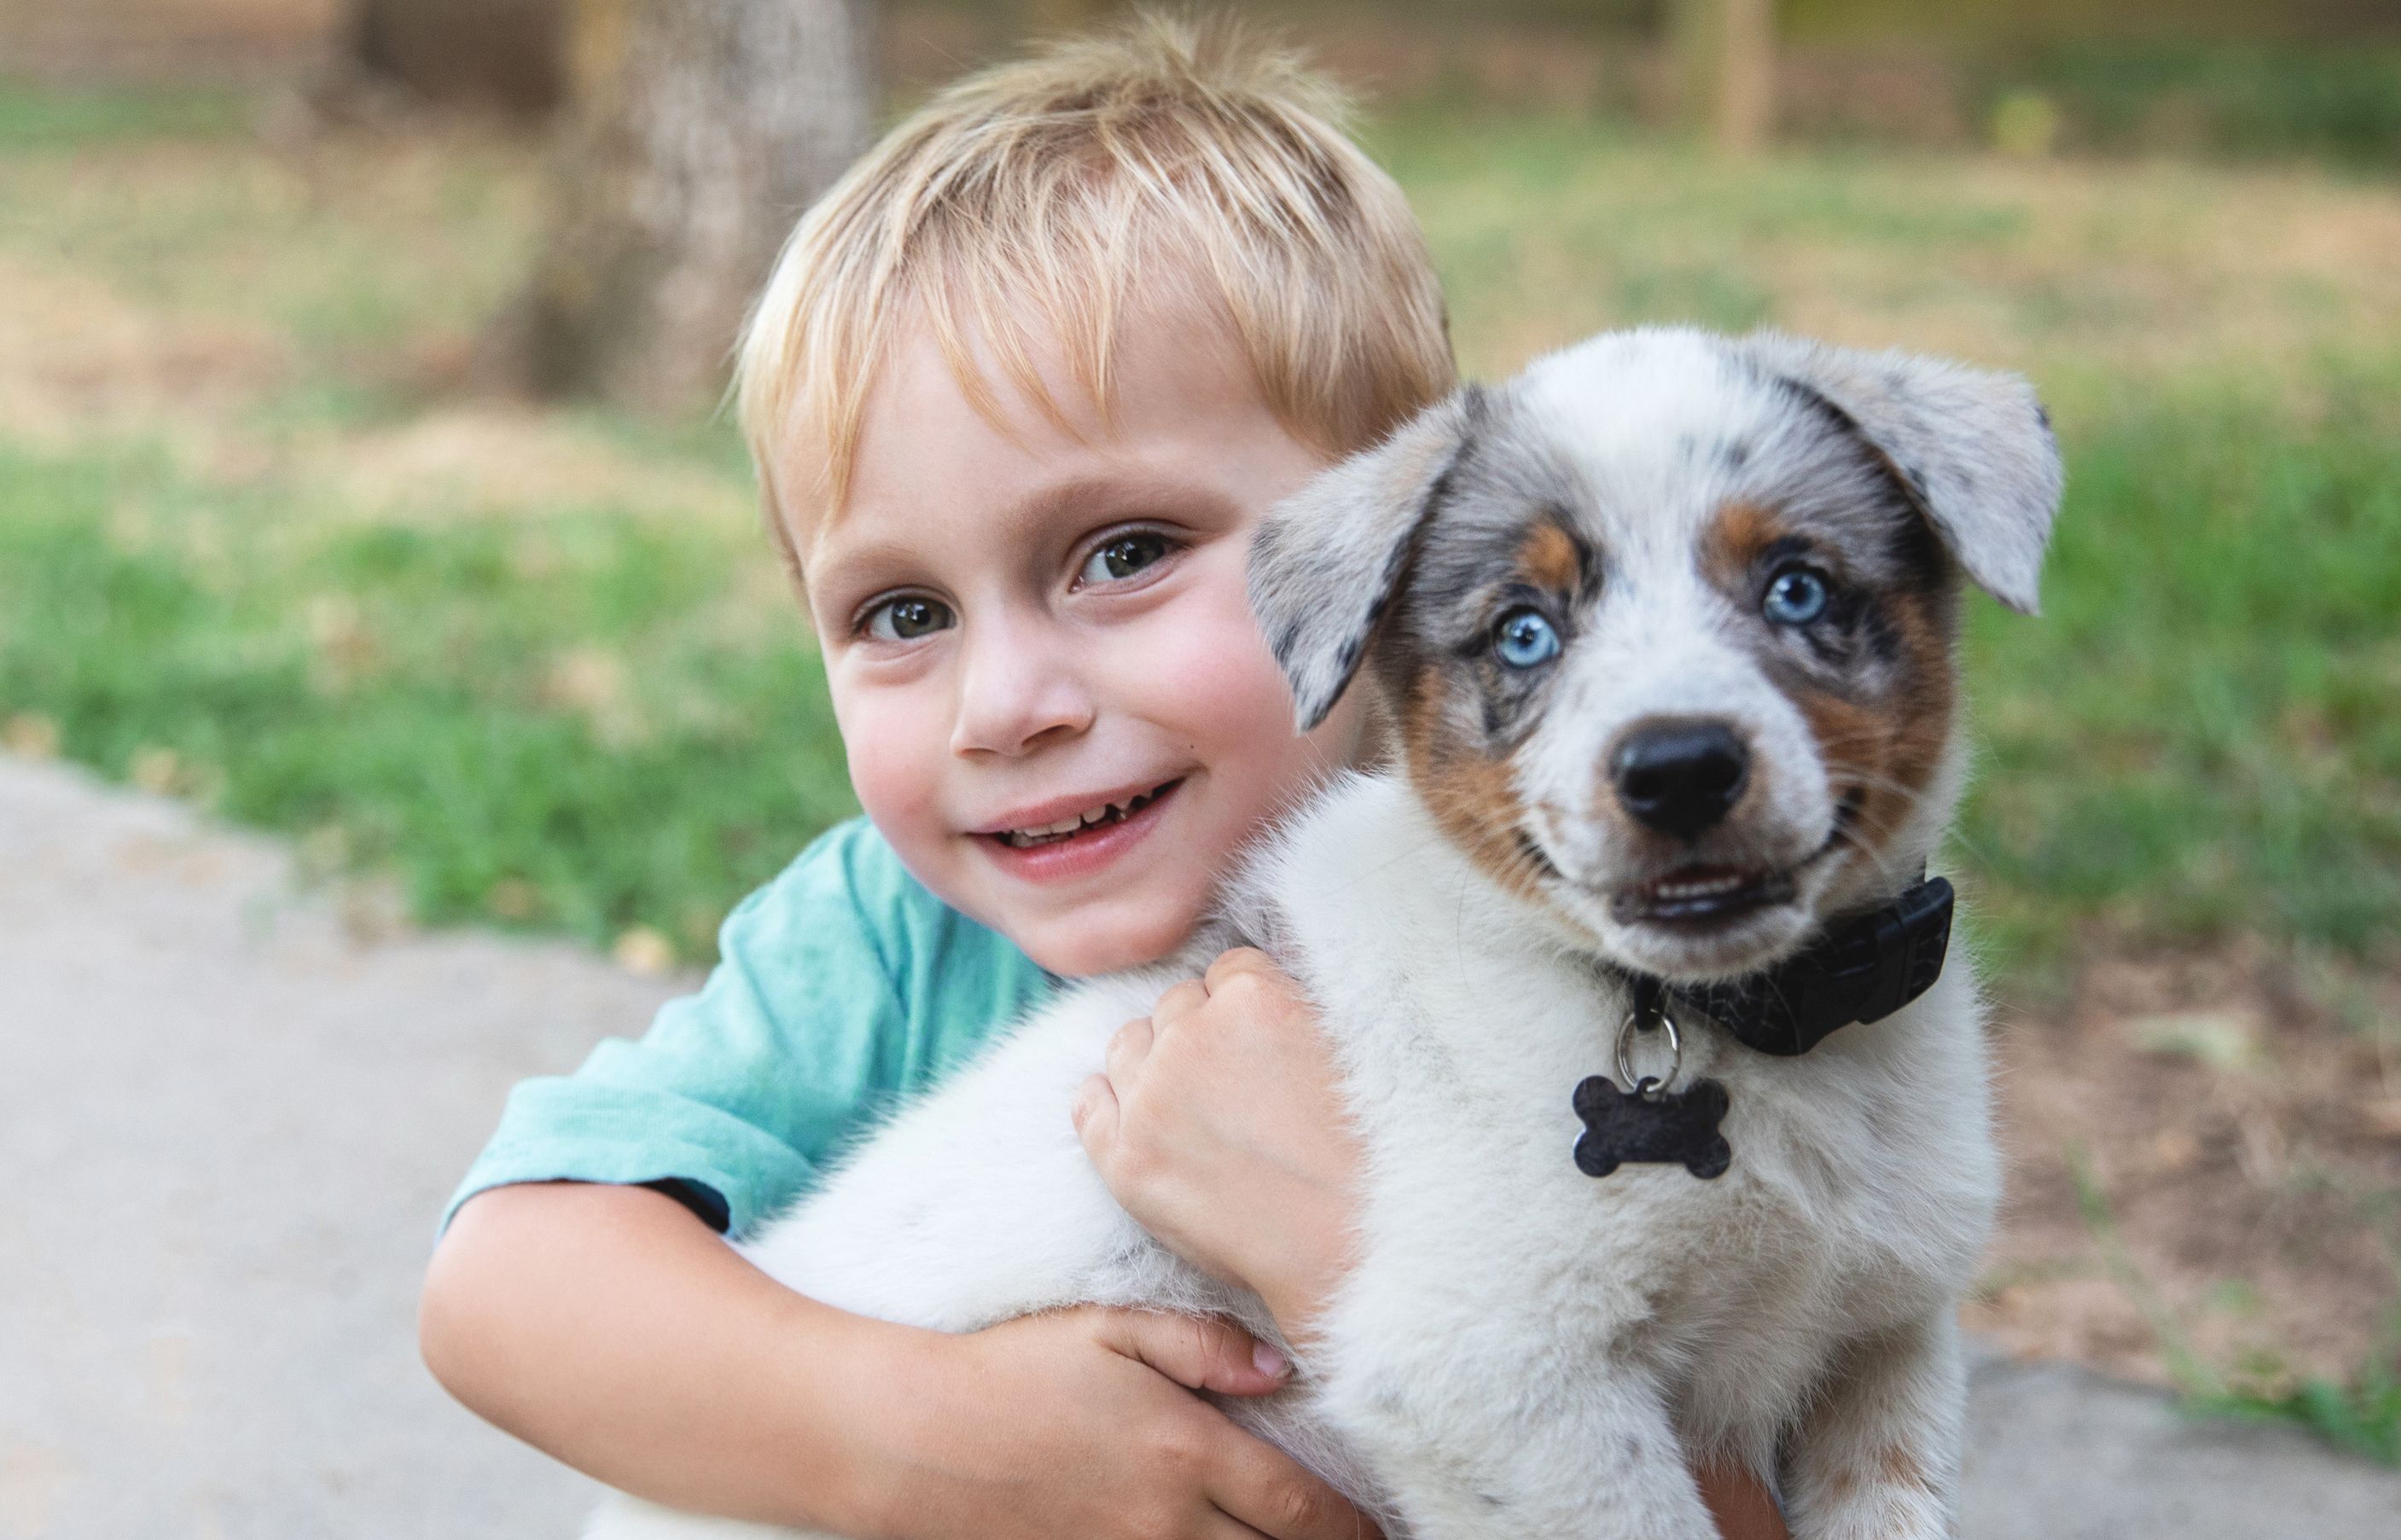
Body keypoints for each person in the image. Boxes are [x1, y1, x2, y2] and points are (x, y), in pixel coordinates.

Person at [420, 15, 1788, 1540]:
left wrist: (1342, 1244)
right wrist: (936, 1439)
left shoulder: (1591, 931)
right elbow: (502, 1289)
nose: (1002, 705)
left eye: (1122, 554)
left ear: (1398, 541)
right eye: (901, 614)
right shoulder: (890, 936)